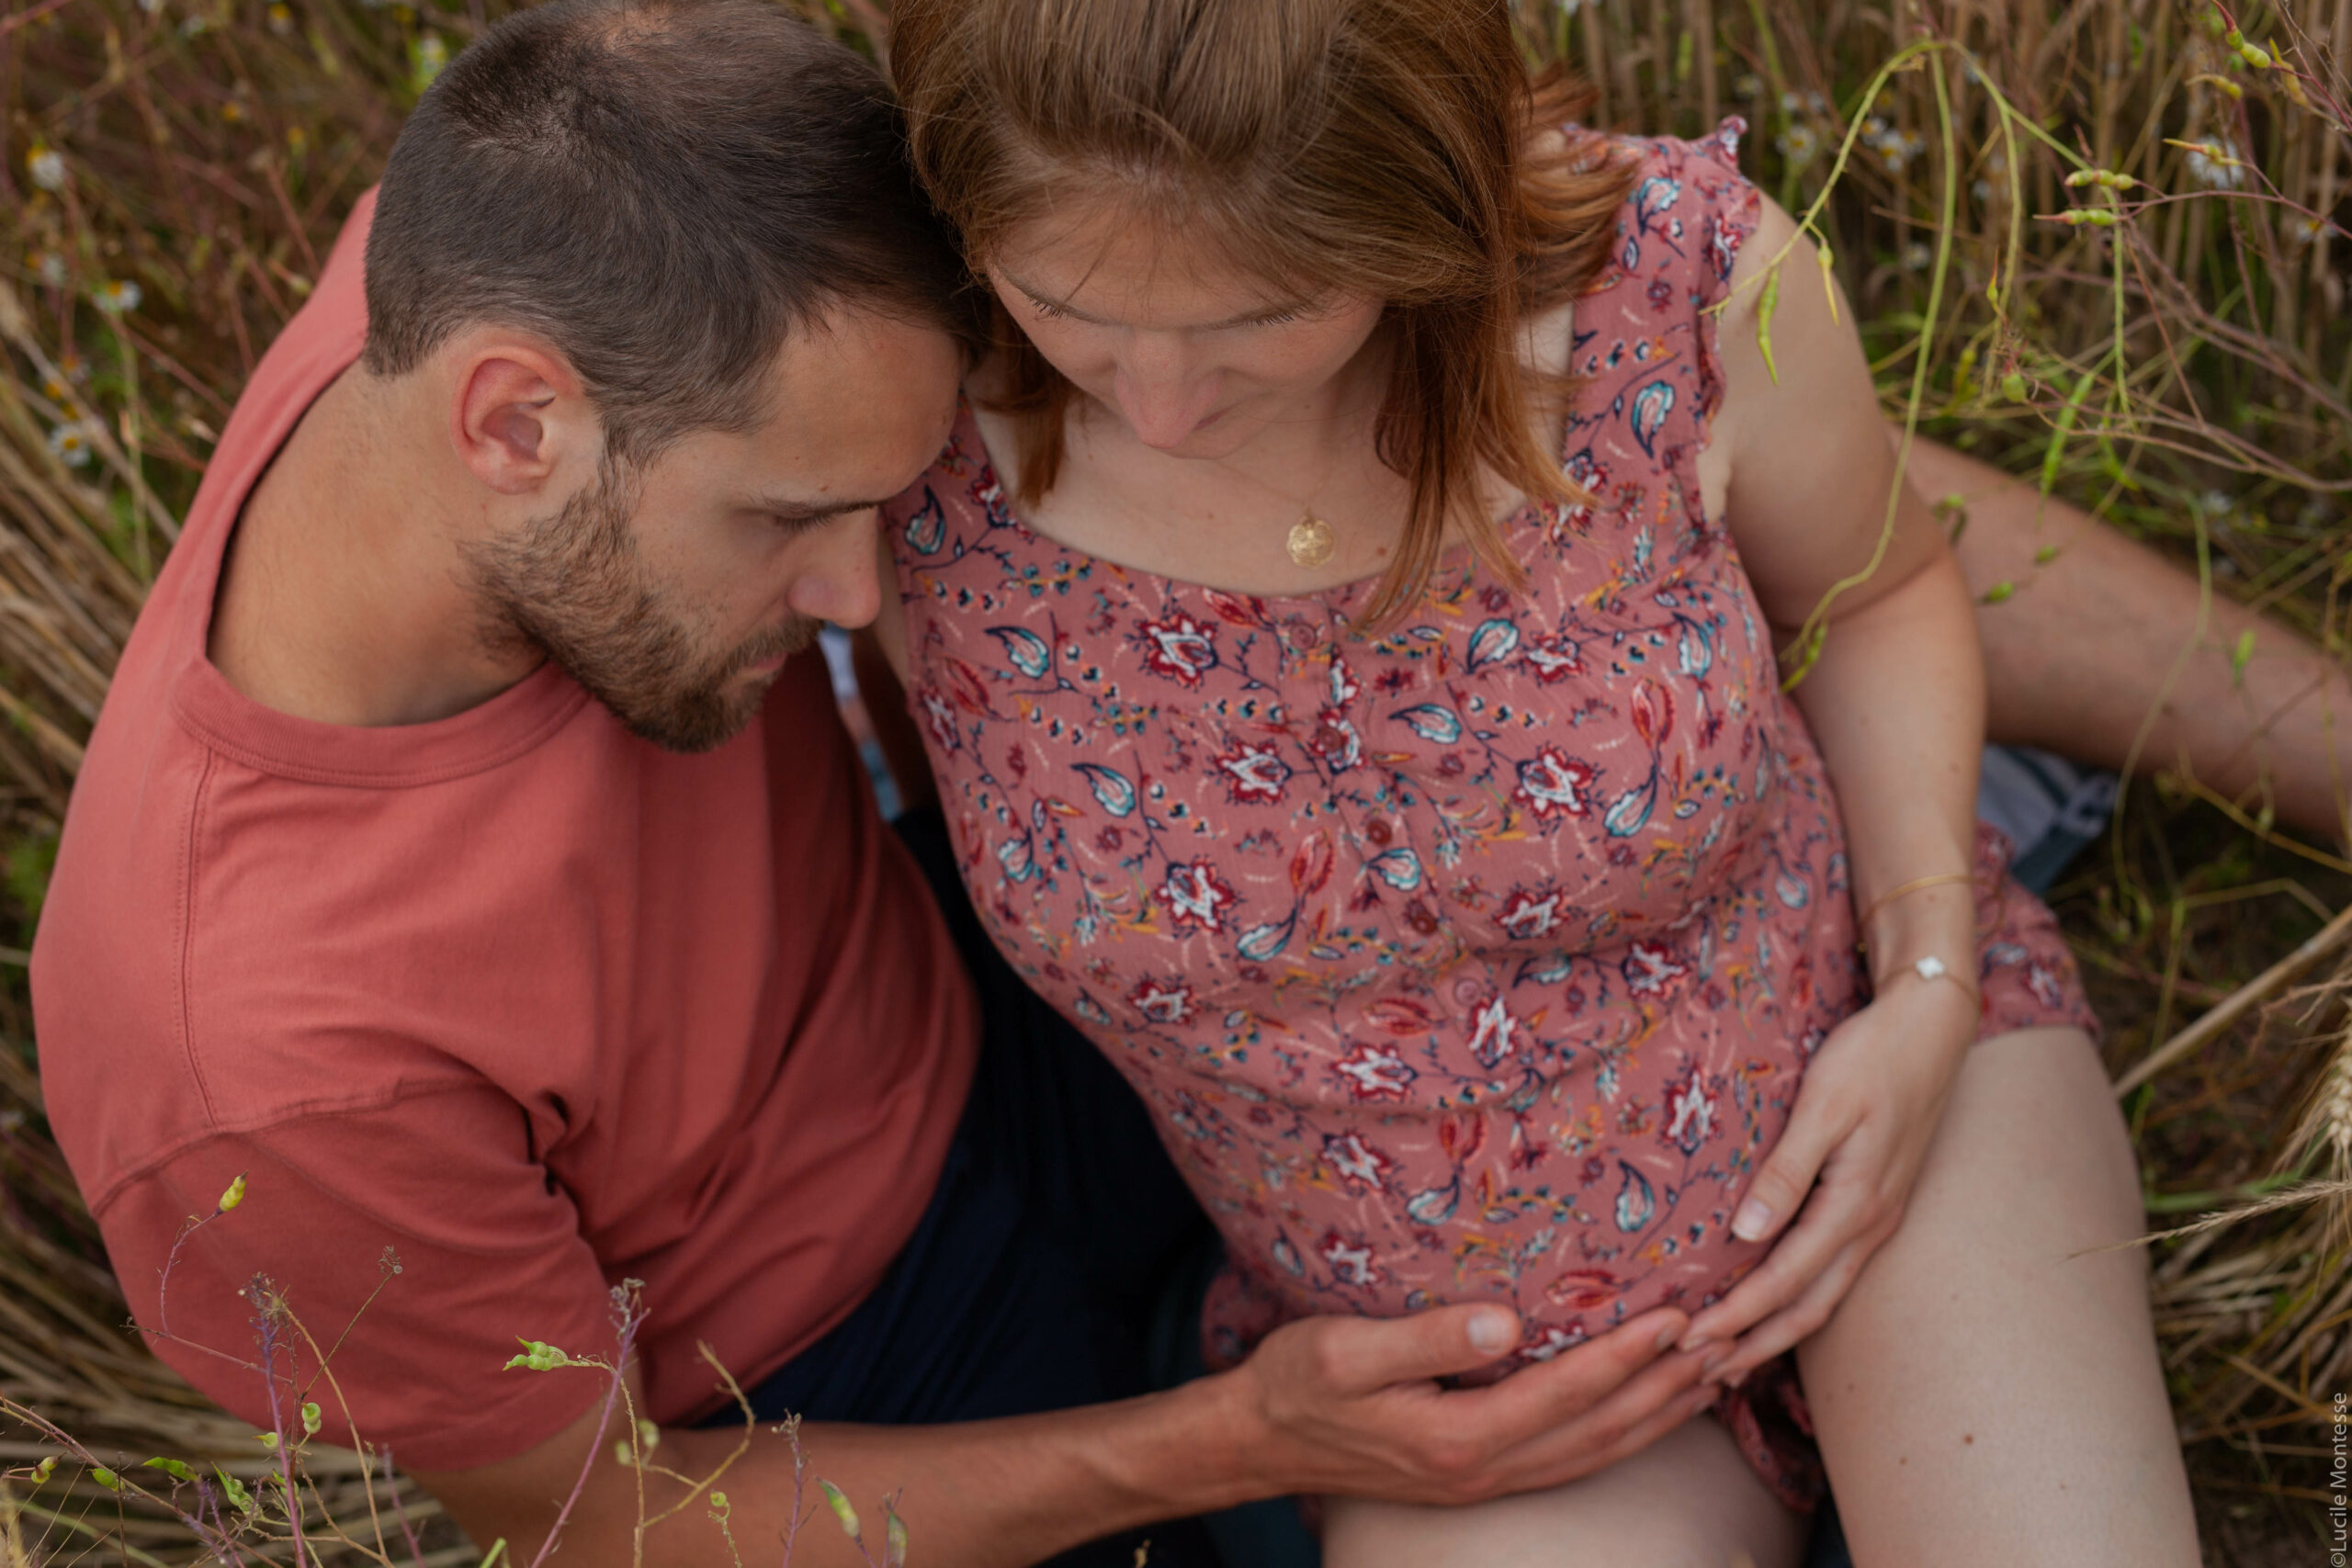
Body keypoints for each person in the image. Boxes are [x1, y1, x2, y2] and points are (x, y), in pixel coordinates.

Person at [27, 6, 1758, 1568]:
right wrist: (1241, 1441)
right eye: (791, 518)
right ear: (511, 426)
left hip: (1012, 1008)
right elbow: (602, 1519)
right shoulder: (260, 1074)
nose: (864, 596)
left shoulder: (568, 247)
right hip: (843, 1387)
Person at [867, 1, 2202, 1562]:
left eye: (1261, 311)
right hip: (1470, 1400)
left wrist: (1927, 977)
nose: (1157, 402)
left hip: (1874, 1109)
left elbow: (1879, 597)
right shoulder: (899, 433)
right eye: (1065, 302)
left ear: (1420, 202)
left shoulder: (1666, 282)